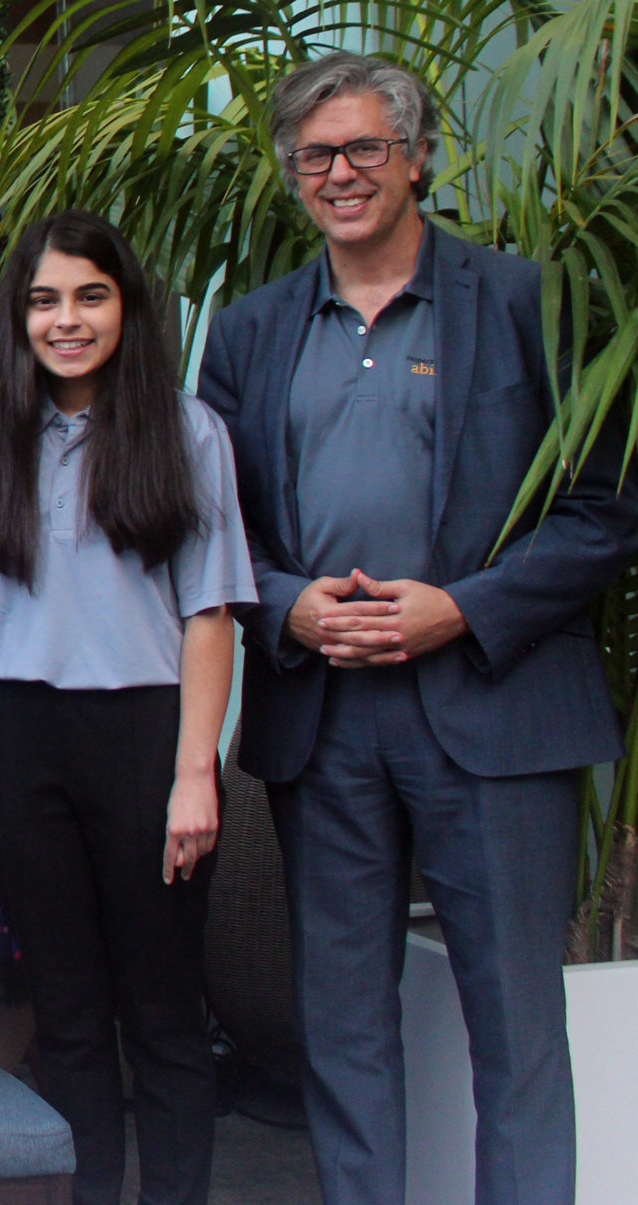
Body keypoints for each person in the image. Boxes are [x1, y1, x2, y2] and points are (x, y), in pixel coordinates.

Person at [198, 53, 638, 1205]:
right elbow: (212, 519)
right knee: (340, 1028)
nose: (339, 175)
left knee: (516, 1029)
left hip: (492, 714)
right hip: (323, 718)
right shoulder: (248, 332)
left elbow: (602, 509)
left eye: (363, 150)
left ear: (417, 157)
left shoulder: (526, 300)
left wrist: (464, 608)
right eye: (315, 157)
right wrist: (286, 595)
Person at [0, 210, 253, 1205]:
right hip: (21, 730)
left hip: (144, 732)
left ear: (126, 304)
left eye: (89, 295)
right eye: (42, 300)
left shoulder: (185, 429)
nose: (65, 319)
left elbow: (210, 615)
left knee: (161, 1013)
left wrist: (192, 773)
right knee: (69, 1010)